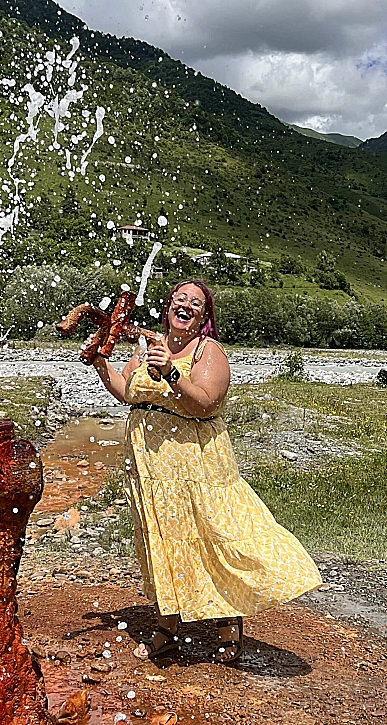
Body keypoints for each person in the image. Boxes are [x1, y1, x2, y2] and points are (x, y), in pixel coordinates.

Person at [91, 279, 322, 664]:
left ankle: (228, 624)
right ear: (168, 307)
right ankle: (167, 626)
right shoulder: (148, 347)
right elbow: (128, 392)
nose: (186, 305)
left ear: (204, 317)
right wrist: (100, 363)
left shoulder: (207, 351)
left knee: (209, 536)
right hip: (152, 470)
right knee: (164, 541)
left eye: (195, 303)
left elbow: (205, 402)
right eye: (179, 299)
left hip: (197, 465)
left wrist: (172, 373)